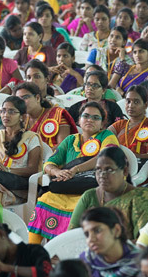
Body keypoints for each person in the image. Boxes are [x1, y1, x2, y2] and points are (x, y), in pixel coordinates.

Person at [29, 102, 119, 243]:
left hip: (93, 188)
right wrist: (57, 172)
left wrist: (75, 169)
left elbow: (106, 157)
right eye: (86, 116)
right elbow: (49, 163)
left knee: (83, 206)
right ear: (79, 120)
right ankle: (33, 250)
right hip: (68, 186)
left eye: (96, 118)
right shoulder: (71, 140)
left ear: (102, 124)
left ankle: (71, 250)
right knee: (43, 201)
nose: (90, 119)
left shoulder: (106, 136)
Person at [68, 147, 148, 240]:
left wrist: (112, 248)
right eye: (98, 170)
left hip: (131, 254)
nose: (102, 175)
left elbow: (146, 242)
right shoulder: (89, 196)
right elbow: (70, 236)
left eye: (109, 170)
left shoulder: (143, 199)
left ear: (125, 171)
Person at [79, 207, 141, 277]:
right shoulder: (85, 262)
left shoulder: (141, 263)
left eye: (97, 230)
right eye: (87, 234)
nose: (91, 239)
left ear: (116, 230)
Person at [15, 82, 76, 150]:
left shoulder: (57, 114)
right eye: (18, 99)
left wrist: (42, 156)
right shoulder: (20, 119)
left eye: (25, 97)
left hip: (53, 158)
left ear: (37, 98)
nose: (21, 102)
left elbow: (63, 145)